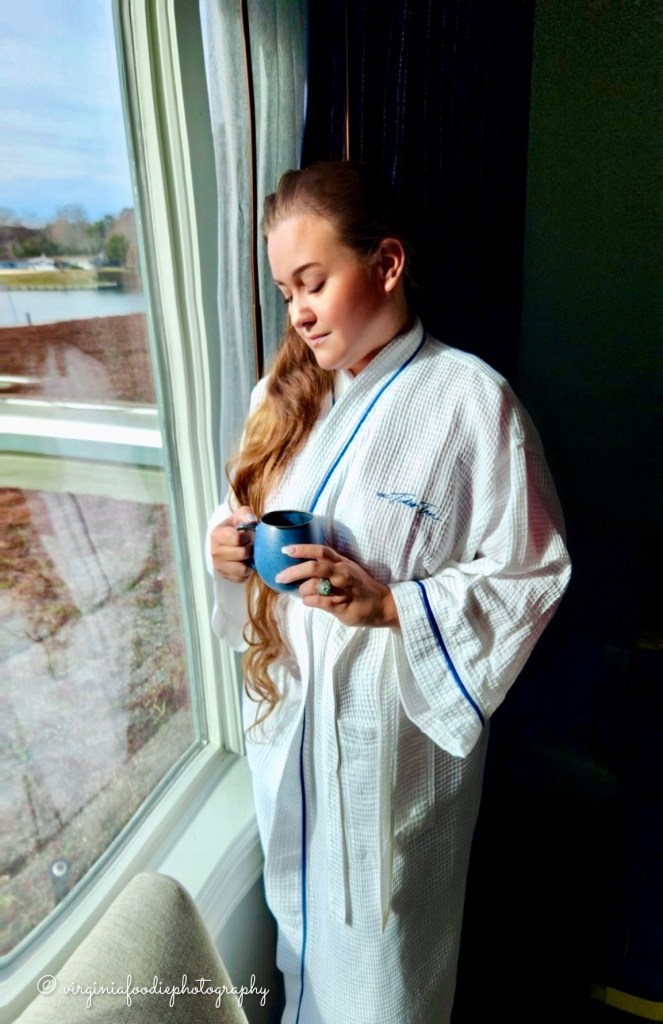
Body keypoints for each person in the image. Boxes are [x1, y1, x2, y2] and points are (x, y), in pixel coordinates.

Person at [206, 160, 571, 1024]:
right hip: (292, 729)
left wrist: (391, 605)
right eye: (284, 288)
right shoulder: (277, 395)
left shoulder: (470, 402)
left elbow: (533, 571)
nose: (295, 309)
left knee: (386, 973)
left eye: (312, 282)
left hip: (393, 753)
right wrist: (226, 547)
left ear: (387, 264)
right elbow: (240, 510)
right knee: (297, 937)